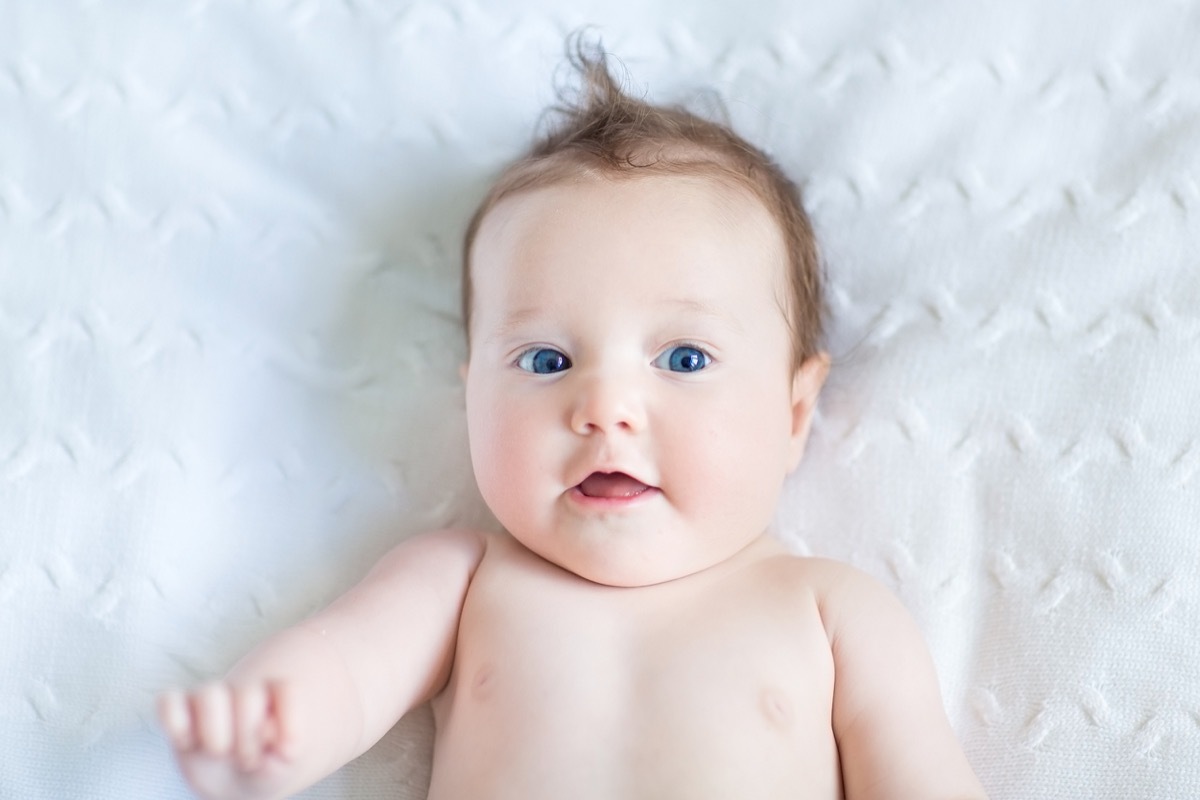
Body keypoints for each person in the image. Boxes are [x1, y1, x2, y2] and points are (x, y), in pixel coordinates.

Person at [158, 41, 988, 800]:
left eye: (684, 359)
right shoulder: (460, 581)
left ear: (794, 412)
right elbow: (346, 670)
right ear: (472, 394)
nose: (604, 410)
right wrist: (267, 727)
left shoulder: (830, 612)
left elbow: (919, 771)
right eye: (547, 362)